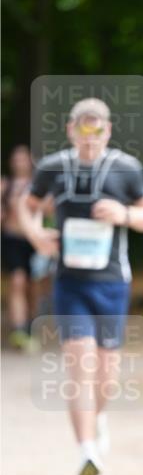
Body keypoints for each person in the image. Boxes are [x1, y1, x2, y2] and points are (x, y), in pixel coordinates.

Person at [18, 97, 143, 475]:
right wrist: (36, 235)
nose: (89, 136)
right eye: (82, 128)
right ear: (70, 130)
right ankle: (87, 452)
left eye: (97, 128)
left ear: (108, 130)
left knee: (106, 376)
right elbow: (26, 205)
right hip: (69, 283)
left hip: (113, 282)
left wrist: (125, 215)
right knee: (79, 366)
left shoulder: (125, 169)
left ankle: (98, 418)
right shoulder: (53, 168)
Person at [1, 145, 38, 348]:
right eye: (16, 159)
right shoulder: (5, 185)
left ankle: (30, 324)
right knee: (17, 281)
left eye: (23, 159)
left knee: (32, 287)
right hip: (11, 240)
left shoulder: (39, 185)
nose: (19, 163)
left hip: (34, 242)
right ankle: (19, 328)